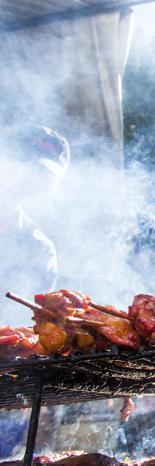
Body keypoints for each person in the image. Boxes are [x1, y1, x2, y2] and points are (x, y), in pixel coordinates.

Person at [0, 125, 68, 325]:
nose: (27, 182)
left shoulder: (40, 250)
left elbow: (27, 329)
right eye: (24, 167)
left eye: (41, 176)